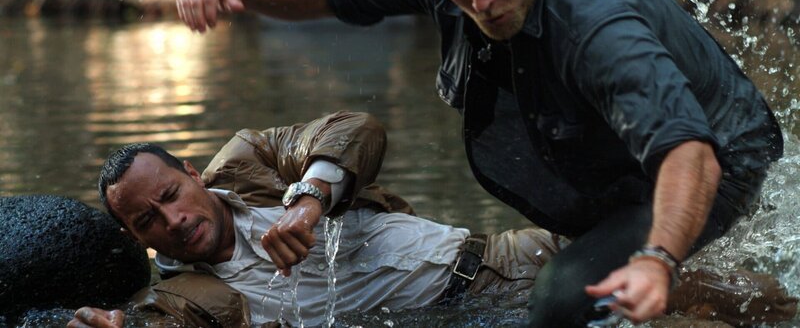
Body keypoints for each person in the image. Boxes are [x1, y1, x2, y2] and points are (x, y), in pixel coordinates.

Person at [174, 0, 786, 325]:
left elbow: (690, 156)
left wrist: (656, 257)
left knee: (560, 303)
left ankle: (706, 291)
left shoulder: (599, 28)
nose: (480, 1)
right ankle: (755, 300)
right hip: (620, 148)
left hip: (718, 153)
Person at [67, 111, 562, 327]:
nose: (173, 220)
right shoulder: (178, 299)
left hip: (502, 258)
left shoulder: (246, 160)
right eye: (148, 221)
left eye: (172, 194)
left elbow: (354, 128)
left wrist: (308, 203)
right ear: (136, 238)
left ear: (193, 174)